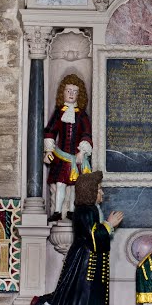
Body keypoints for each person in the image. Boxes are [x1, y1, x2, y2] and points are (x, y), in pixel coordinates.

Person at [22, 171, 124, 305]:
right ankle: (42, 303)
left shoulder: (92, 209)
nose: (102, 192)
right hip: (84, 260)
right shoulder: (84, 211)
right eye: (99, 189)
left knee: (76, 292)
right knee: (75, 291)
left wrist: (106, 226)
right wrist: (109, 224)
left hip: (89, 258)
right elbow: (92, 236)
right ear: (90, 190)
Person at [44, 74, 92, 222]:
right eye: (68, 90)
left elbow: (86, 133)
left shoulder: (82, 115)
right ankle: (57, 211)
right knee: (60, 184)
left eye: (75, 91)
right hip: (61, 156)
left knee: (74, 186)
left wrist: (82, 152)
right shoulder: (59, 113)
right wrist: (48, 150)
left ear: (80, 94)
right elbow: (50, 131)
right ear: (63, 92)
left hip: (76, 157)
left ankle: (71, 211)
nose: (71, 94)